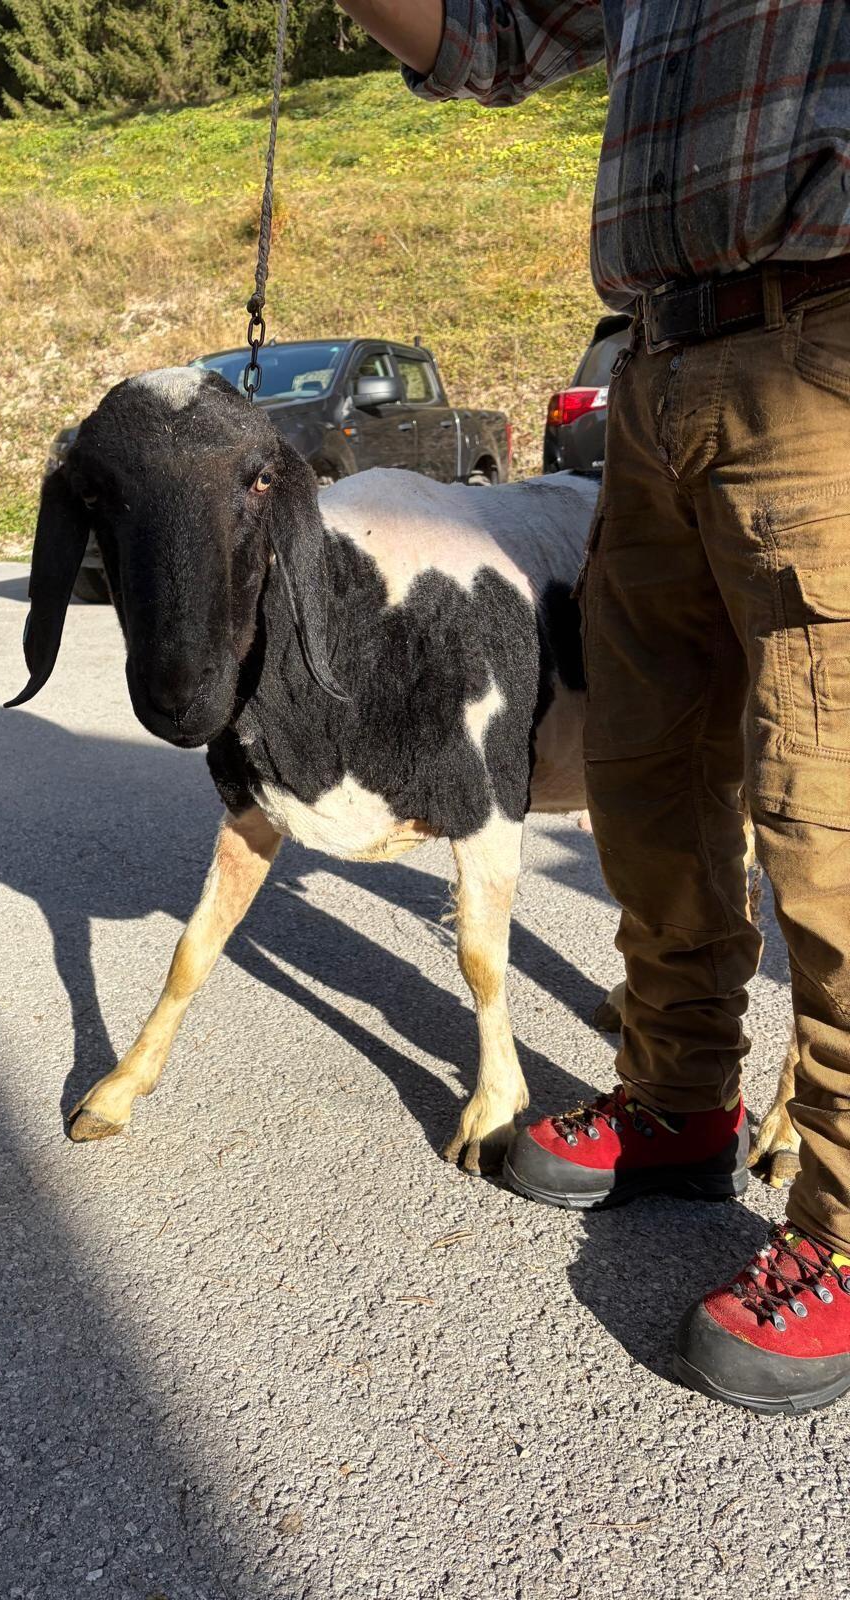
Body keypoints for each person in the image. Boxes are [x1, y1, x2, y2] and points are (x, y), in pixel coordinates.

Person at [336, 0, 850, 1415]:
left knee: (826, 811)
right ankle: (683, 1095)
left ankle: (844, 1223)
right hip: (652, 372)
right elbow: (488, 40)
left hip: (827, 340)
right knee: (647, 773)